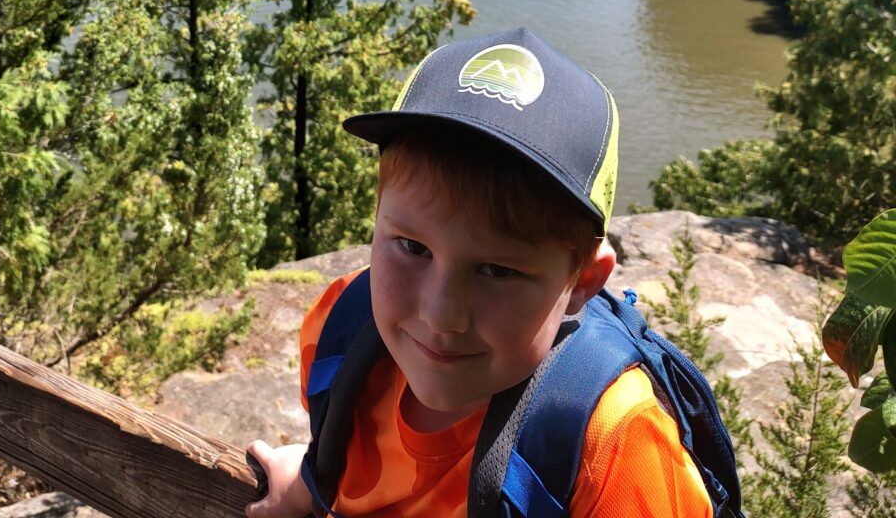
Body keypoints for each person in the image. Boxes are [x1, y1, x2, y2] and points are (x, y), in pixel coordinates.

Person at [246, 27, 715, 518]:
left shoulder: (615, 452)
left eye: (497, 270)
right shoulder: (340, 331)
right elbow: (344, 460)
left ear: (581, 282)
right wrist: (307, 483)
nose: (441, 314)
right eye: (412, 247)